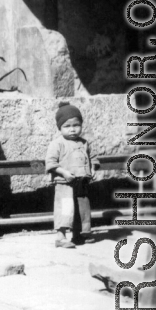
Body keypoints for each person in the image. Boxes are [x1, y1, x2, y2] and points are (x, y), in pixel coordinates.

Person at [46, 102, 100, 248]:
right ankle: (61, 237)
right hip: (65, 184)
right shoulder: (57, 144)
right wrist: (63, 172)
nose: (72, 130)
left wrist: (93, 169)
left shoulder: (84, 143)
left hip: (81, 183)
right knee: (65, 208)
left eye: (76, 125)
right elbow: (51, 163)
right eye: (67, 126)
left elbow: (92, 158)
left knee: (82, 209)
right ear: (60, 128)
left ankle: (80, 234)